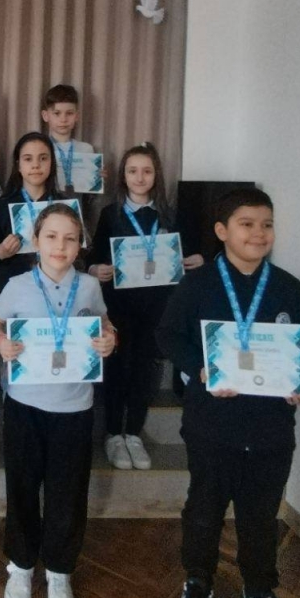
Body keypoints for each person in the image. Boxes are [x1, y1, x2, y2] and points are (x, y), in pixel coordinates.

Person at [155, 187, 300, 598]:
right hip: (212, 424)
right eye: (247, 224)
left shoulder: (289, 288)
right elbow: (168, 335)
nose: (258, 233)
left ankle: (259, 594)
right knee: (204, 508)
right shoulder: (198, 285)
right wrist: (200, 369)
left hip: (271, 426)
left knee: (260, 516)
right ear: (222, 231)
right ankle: (198, 583)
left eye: (266, 224)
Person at [0, 204, 116, 598]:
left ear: (81, 245)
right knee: (22, 487)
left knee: (68, 492)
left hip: (74, 407)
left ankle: (60, 571)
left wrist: (110, 338)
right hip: (24, 405)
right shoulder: (18, 285)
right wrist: (0, 342)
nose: (61, 246)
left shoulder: (89, 287)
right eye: (52, 236)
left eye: (70, 238)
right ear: (36, 241)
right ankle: (21, 566)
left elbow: (105, 325)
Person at [86, 143, 203, 470]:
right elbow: (94, 257)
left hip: (158, 306)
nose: (140, 177)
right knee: (116, 367)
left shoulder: (172, 215)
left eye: (147, 171)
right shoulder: (111, 214)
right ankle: (113, 433)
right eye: (133, 171)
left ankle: (134, 433)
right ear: (123, 176)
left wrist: (198, 259)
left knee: (145, 369)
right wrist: (96, 269)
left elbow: (191, 254)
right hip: (118, 306)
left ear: (156, 175)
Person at [0, 132, 65, 302]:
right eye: (28, 159)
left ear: (52, 163)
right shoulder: (3, 205)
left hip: (57, 288)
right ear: (18, 165)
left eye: (43, 158)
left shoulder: (63, 205)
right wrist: (1, 252)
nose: (36, 165)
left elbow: (78, 247)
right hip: (13, 288)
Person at [40, 84, 100, 196]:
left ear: (77, 116)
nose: (63, 119)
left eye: (69, 113)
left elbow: (90, 194)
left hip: (77, 205)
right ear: (45, 116)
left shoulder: (86, 149)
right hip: (45, 203)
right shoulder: (39, 148)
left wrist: (96, 180)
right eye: (57, 113)